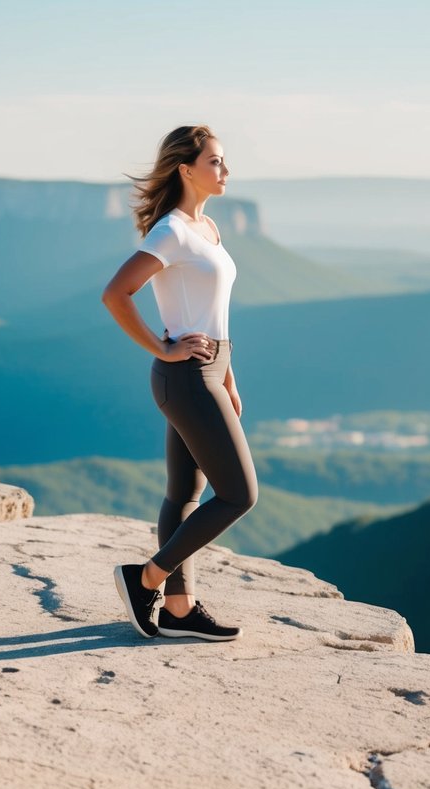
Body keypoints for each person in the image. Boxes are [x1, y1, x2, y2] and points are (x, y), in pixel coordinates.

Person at [101, 125, 258, 642]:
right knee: (238, 494)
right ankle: (145, 579)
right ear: (186, 169)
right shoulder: (171, 231)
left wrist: (229, 376)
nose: (225, 171)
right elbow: (116, 294)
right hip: (185, 376)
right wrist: (163, 347)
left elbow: (215, 313)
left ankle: (179, 610)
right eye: (215, 162)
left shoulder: (208, 229)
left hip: (208, 371)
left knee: (186, 493)